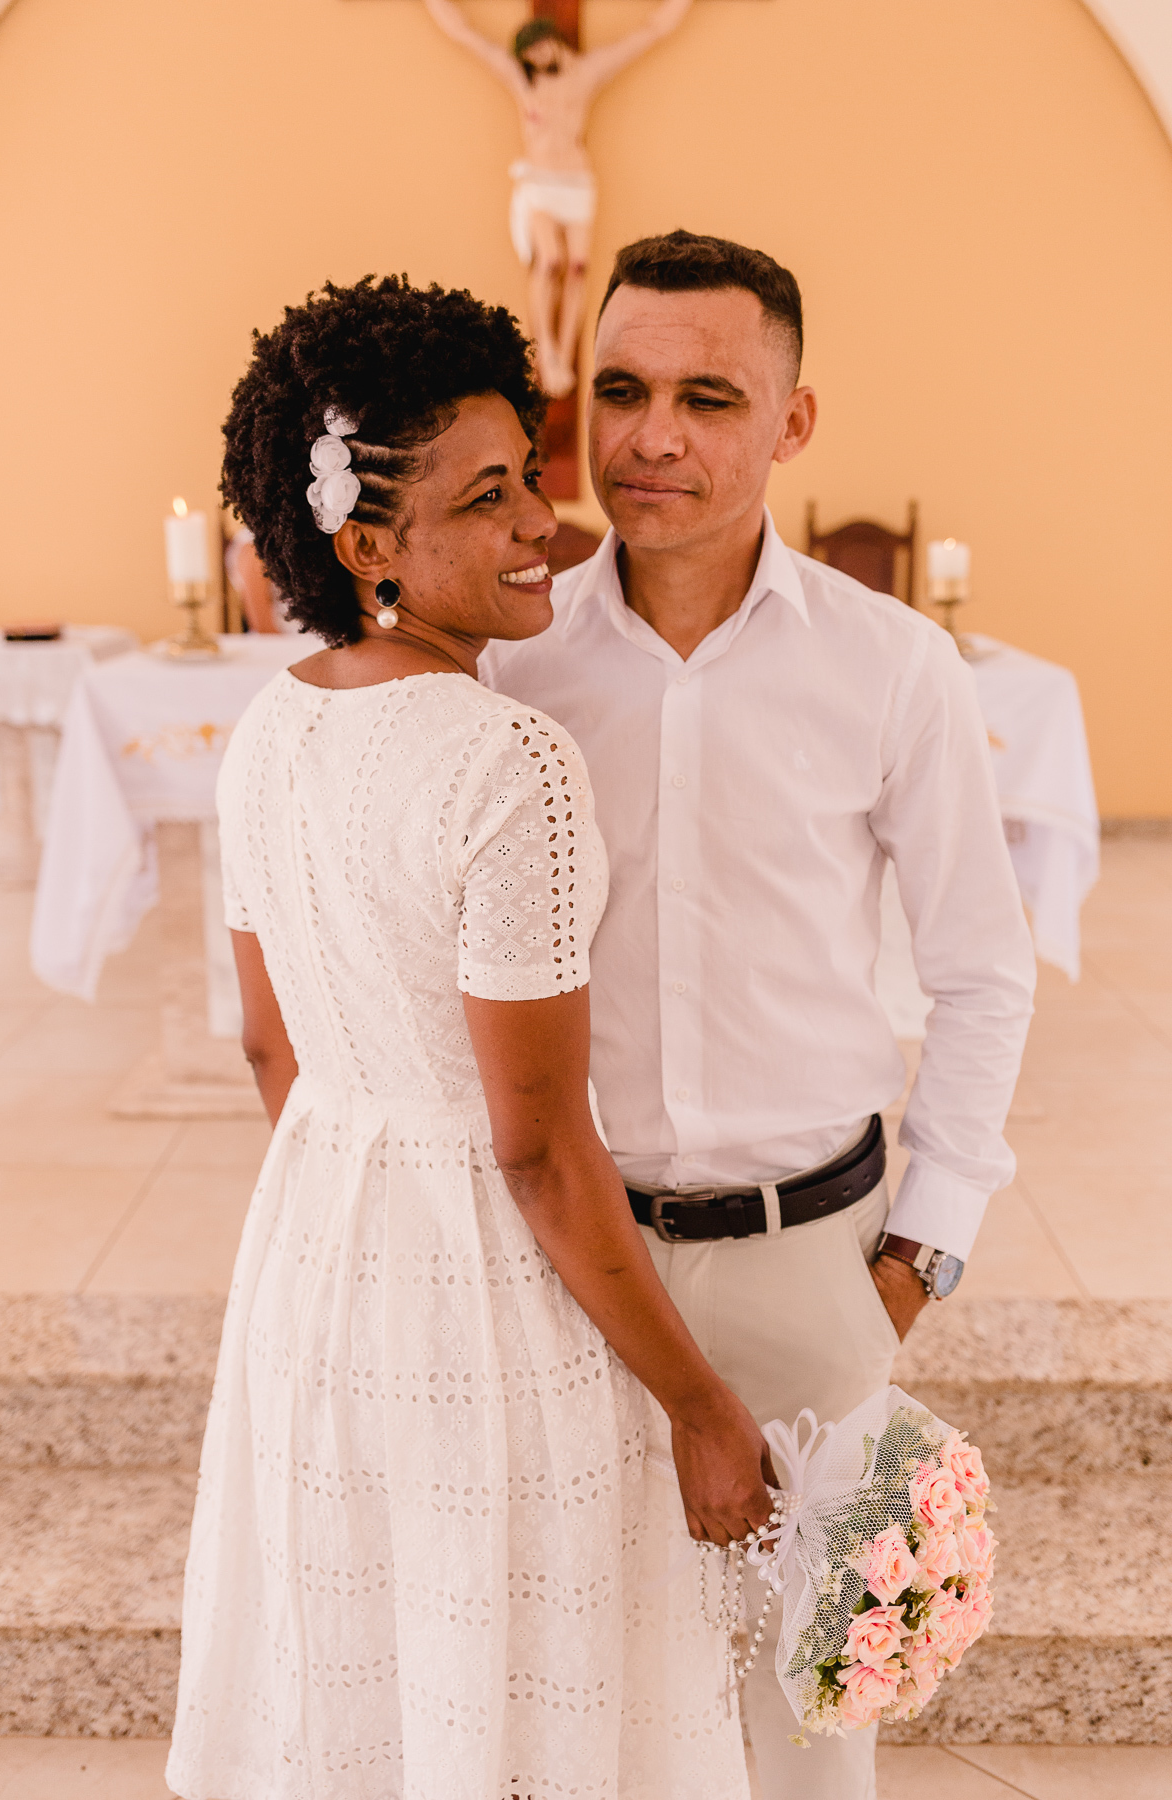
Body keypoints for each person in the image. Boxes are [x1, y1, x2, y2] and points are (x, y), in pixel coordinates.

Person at [165, 273, 767, 1800]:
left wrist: (357, 1222)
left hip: (313, 1271)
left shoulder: (269, 733)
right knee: (518, 1697)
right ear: (371, 547)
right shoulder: (513, 760)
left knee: (369, 1686)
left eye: (531, 480)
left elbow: (268, 1050)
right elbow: (538, 1143)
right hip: (492, 1303)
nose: (547, 526)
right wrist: (701, 1405)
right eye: (491, 499)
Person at [479, 230, 1037, 1799]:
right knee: (582, 1704)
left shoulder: (892, 669)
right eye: (622, 389)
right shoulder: (511, 666)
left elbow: (982, 973)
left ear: (792, 423)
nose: (653, 435)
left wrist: (918, 1255)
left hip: (814, 1260)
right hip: (570, 1268)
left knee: (807, 1727)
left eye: (708, 395)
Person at [422, 0, 694, 396]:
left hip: (577, 182)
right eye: (528, 55)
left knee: (578, 267)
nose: (535, 58)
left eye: (538, 48)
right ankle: (544, 349)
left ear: (552, 41)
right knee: (549, 262)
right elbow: (467, 36)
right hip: (539, 181)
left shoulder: (587, 74)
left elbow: (651, 32)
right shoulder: (523, 80)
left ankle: (564, 355)